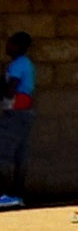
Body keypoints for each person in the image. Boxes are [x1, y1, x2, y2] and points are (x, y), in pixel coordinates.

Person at [1, 28, 32, 208]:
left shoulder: (18, 65)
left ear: (18, 46)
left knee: (3, 153)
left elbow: (11, 89)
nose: (7, 45)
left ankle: (3, 195)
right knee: (20, 155)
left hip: (16, 112)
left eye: (10, 42)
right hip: (23, 113)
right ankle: (17, 196)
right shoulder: (23, 63)